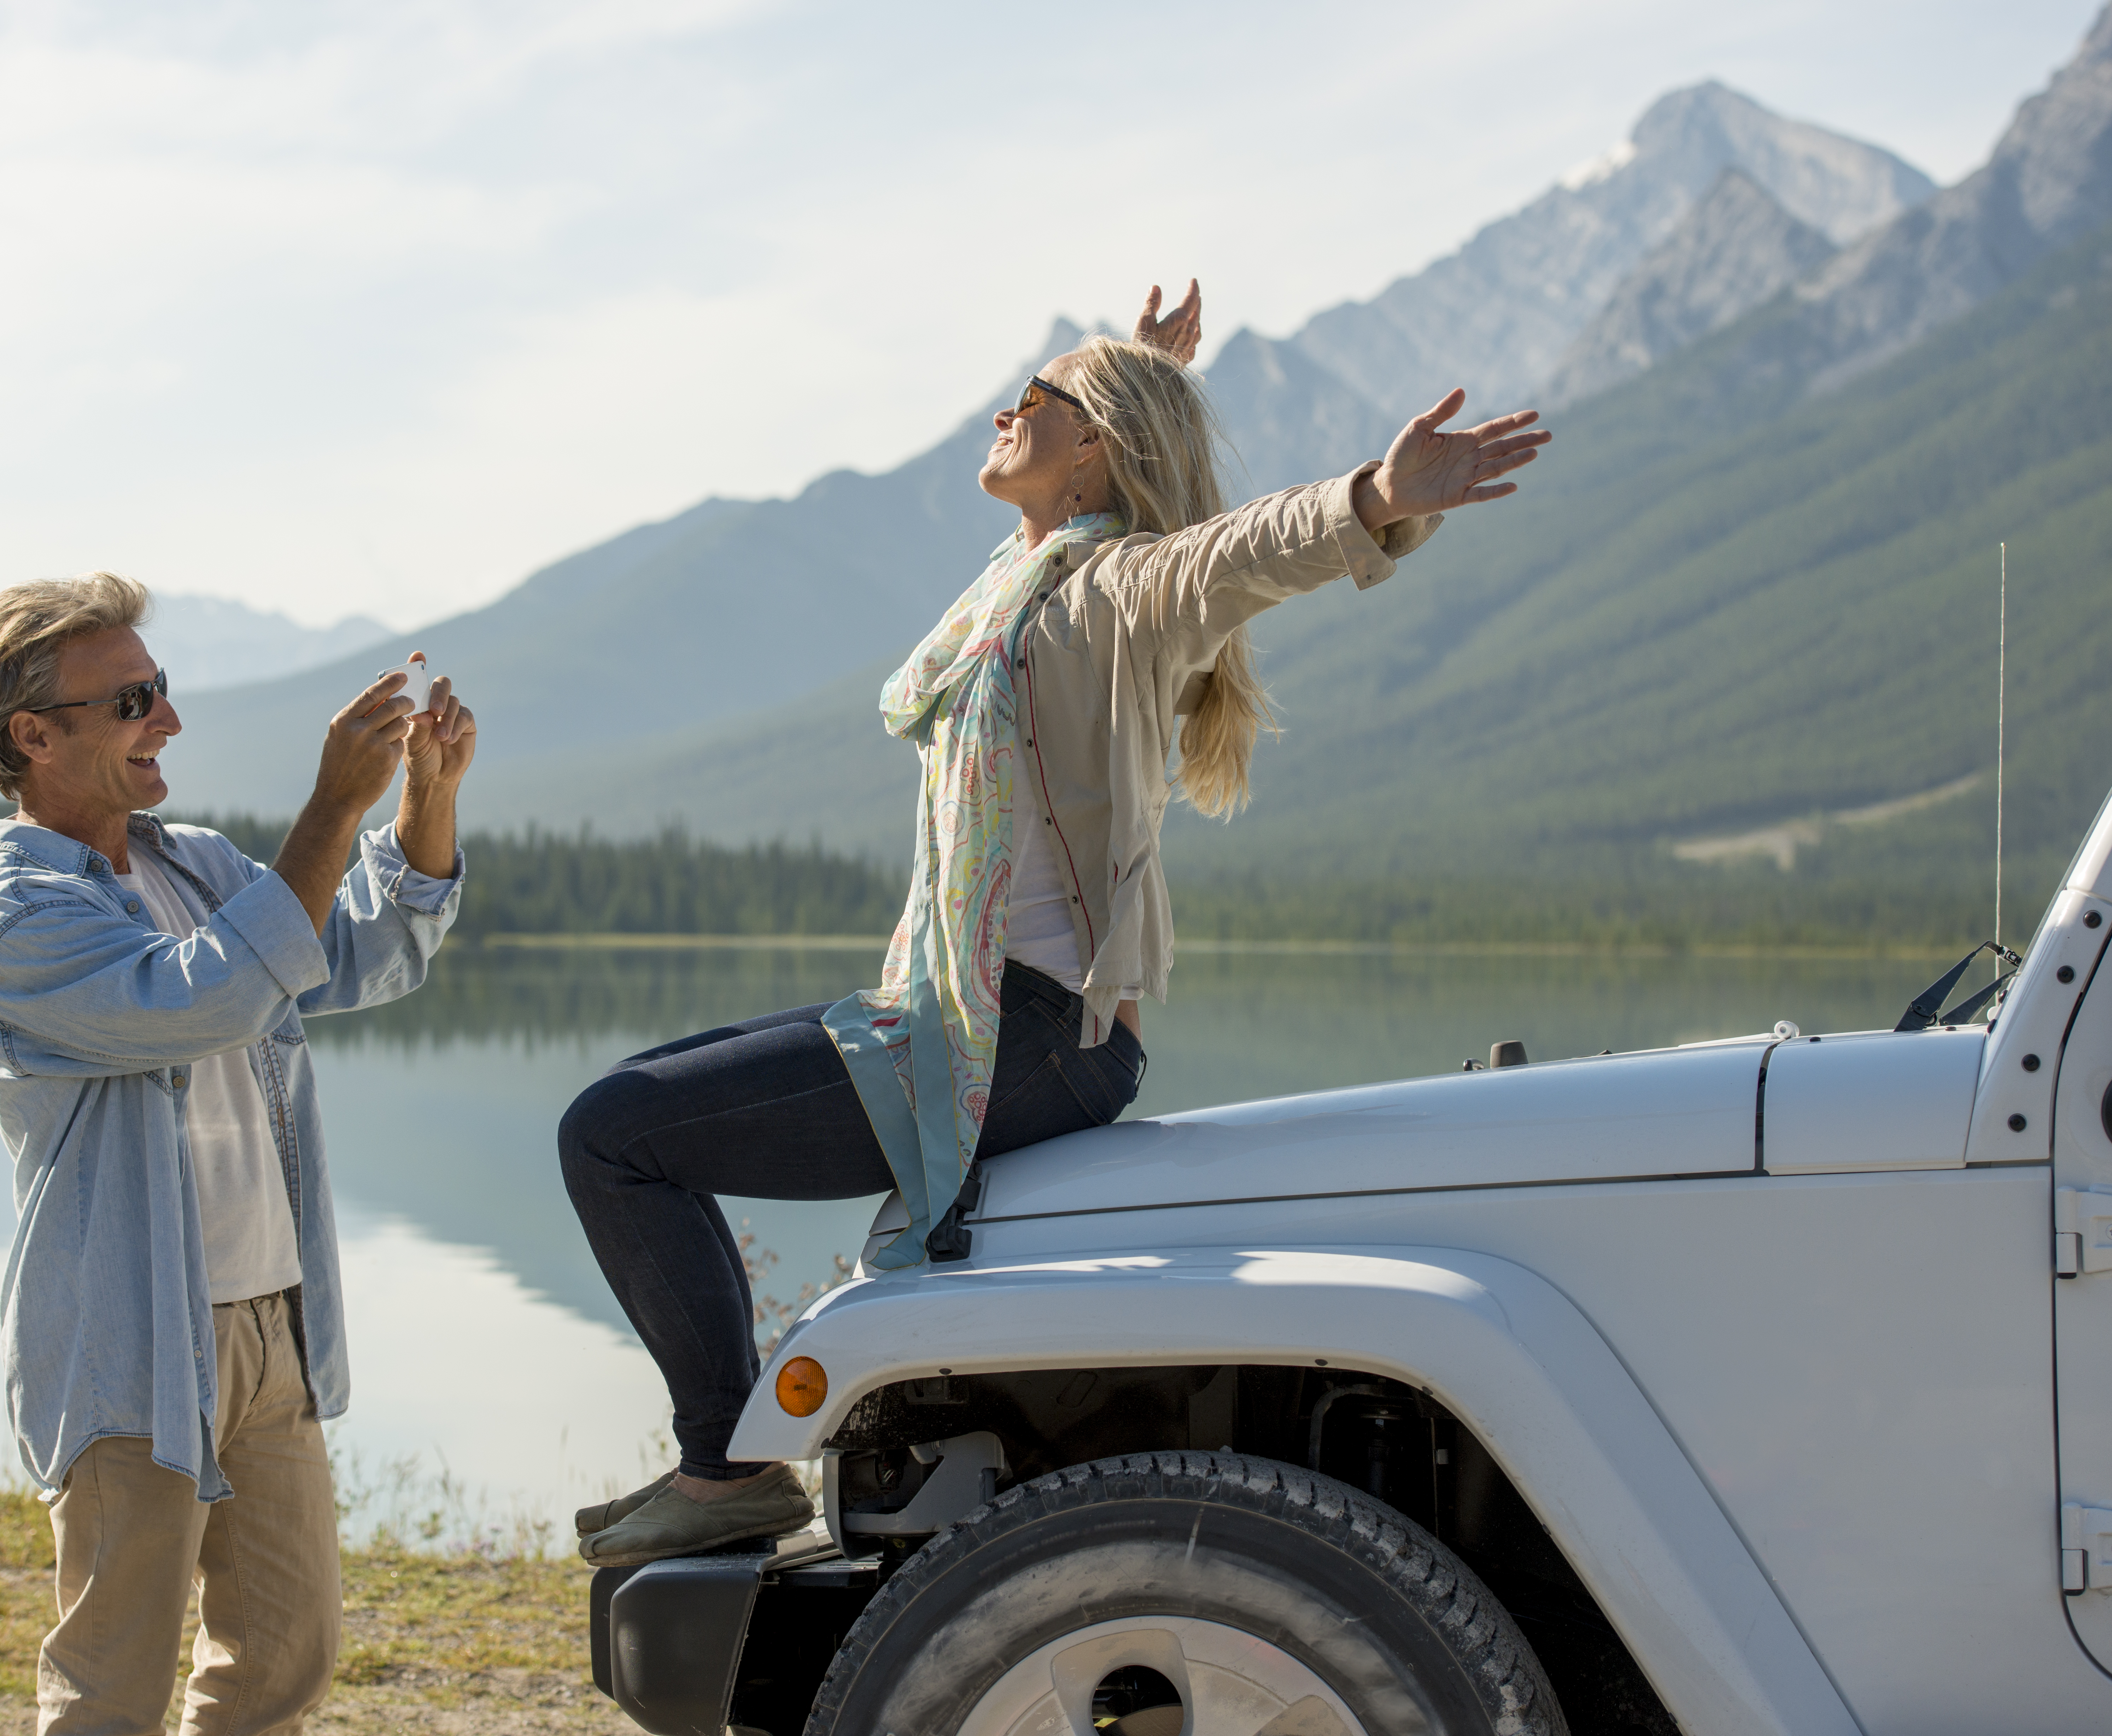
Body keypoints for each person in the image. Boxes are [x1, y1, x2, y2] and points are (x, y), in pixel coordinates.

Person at [559, 282, 1551, 1567]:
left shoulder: (1117, 595)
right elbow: (1099, 504)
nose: (1002, 411)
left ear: (1090, 447)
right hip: (956, 1015)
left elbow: (1230, 553)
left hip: (1034, 1035)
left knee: (613, 1135)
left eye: (1034, 397)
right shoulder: (1021, 589)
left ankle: (725, 1473)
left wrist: (1374, 499)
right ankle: (728, 1464)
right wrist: (1132, 369)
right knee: (626, 1115)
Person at [0, 572, 478, 1735]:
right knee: (113, 1688)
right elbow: (211, 997)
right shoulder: (14, 921)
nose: (168, 721)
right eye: (132, 701)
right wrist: (331, 806)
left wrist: (423, 801)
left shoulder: (192, 865)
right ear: (34, 736)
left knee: (284, 1663)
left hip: (271, 1325)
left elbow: (364, 951)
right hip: (130, 1342)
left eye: (161, 688)